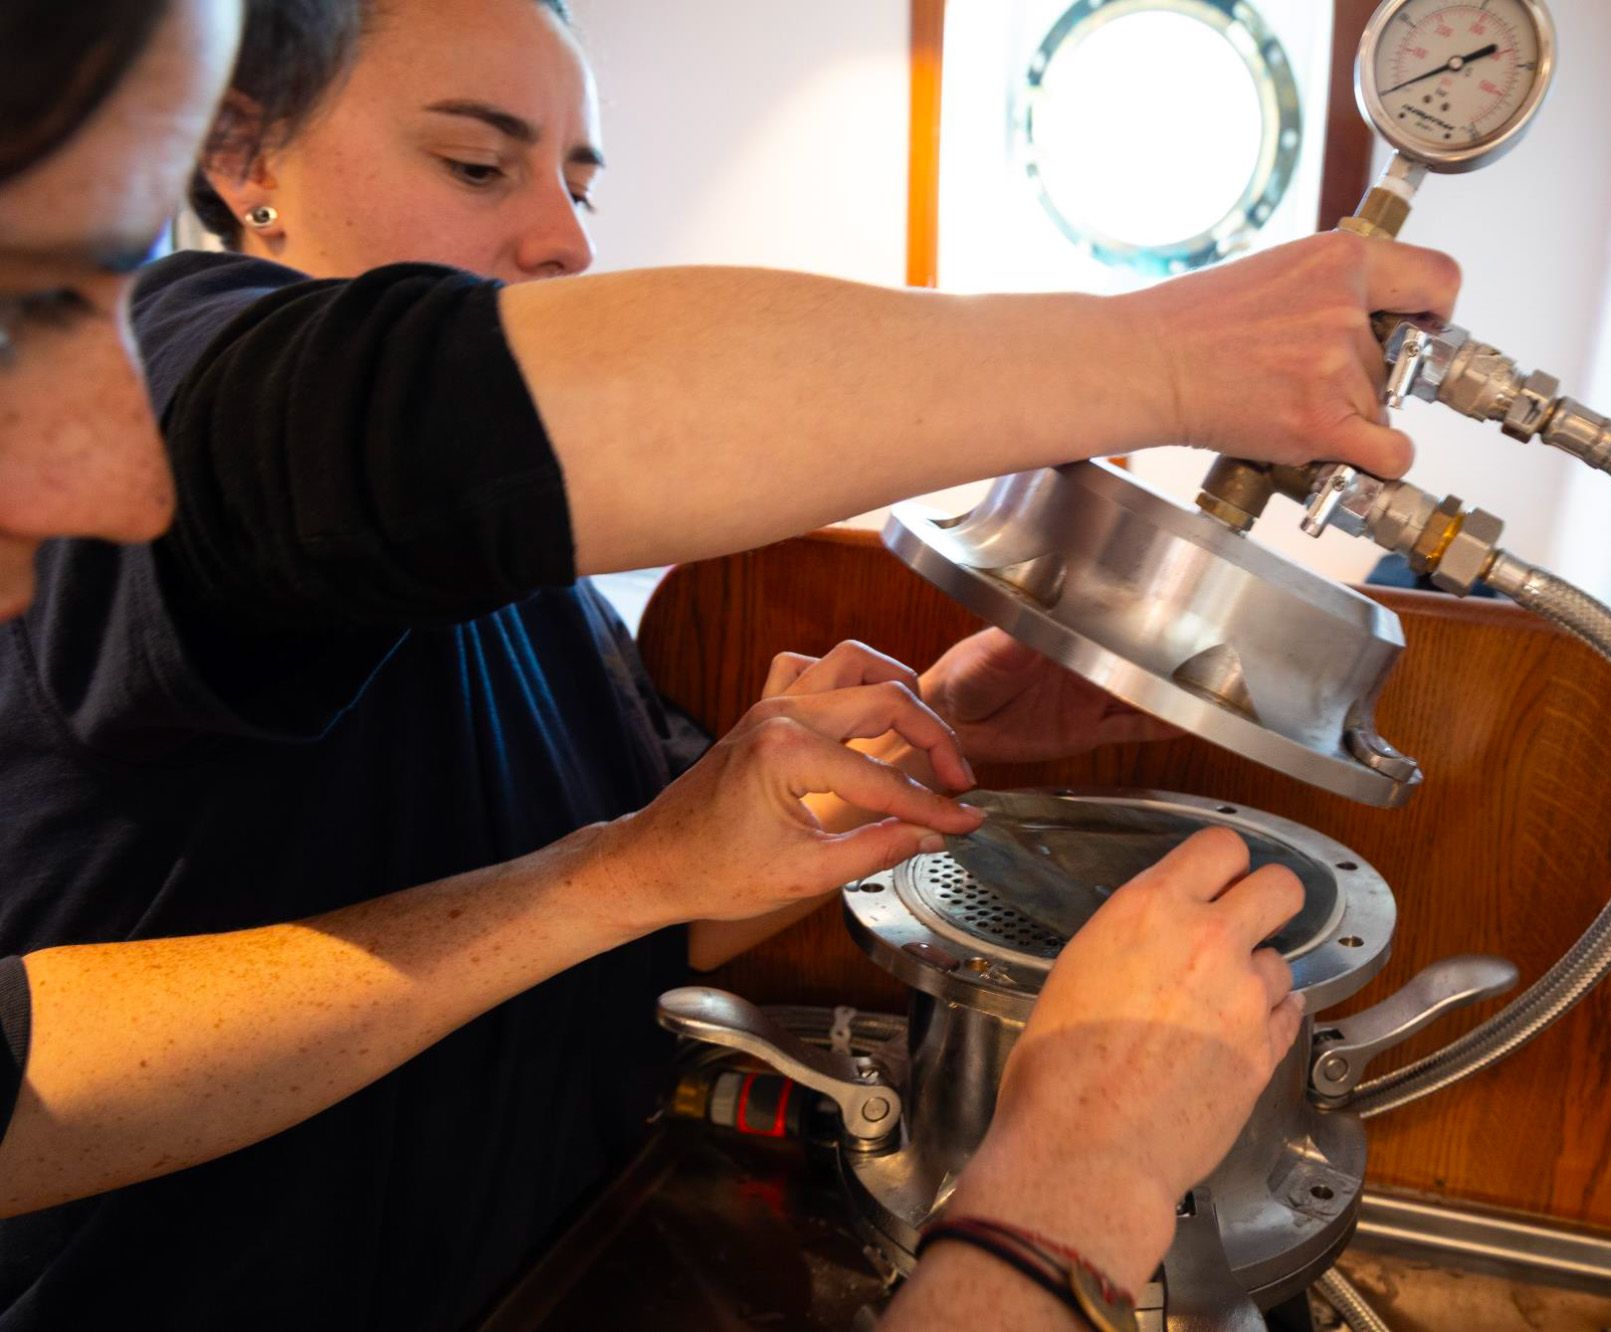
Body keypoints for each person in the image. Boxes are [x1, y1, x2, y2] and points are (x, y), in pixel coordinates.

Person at [0, 1, 1461, 1327]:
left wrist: (935, 732)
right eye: (474, 164)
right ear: (244, 149)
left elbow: (656, 901)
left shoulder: (519, 591)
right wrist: (1171, 351)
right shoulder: (174, 371)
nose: (564, 236)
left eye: (578, 180)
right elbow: (429, 414)